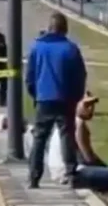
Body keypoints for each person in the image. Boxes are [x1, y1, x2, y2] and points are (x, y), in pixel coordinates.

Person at [24, 12, 87, 188]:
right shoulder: (71, 49)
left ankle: (34, 177)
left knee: (39, 137)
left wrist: (35, 94)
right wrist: (76, 96)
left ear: (49, 28)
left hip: (44, 98)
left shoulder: (37, 48)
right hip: (65, 98)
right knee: (67, 136)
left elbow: (30, 76)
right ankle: (70, 173)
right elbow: (80, 76)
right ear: (65, 29)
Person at [75, 92, 107, 167]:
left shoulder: (69, 119)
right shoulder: (79, 124)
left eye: (92, 105)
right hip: (80, 165)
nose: (90, 109)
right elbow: (87, 156)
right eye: (86, 105)